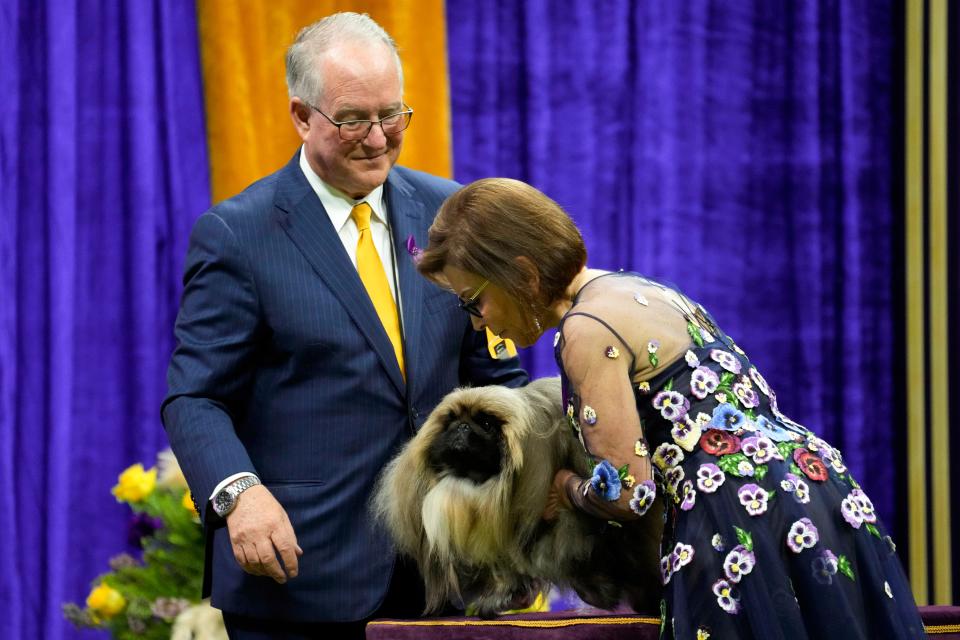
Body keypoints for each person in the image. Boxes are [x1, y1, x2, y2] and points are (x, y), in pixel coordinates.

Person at [415, 177, 926, 639]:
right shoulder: (637, 288)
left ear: (521, 274)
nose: (477, 323)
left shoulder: (584, 330)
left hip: (735, 517)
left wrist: (567, 489)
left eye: (472, 301)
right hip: (818, 487)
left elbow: (629, 495)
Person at [161, 14, 526, 639]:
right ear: (302, 116)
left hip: (445, 574)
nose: (380, 138)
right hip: (300, 579)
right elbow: (195, 397)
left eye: (394, 115)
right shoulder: (237, 235)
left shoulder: (451, 213)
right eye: (355, 119)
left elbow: (496, 374)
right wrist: (238, 495)